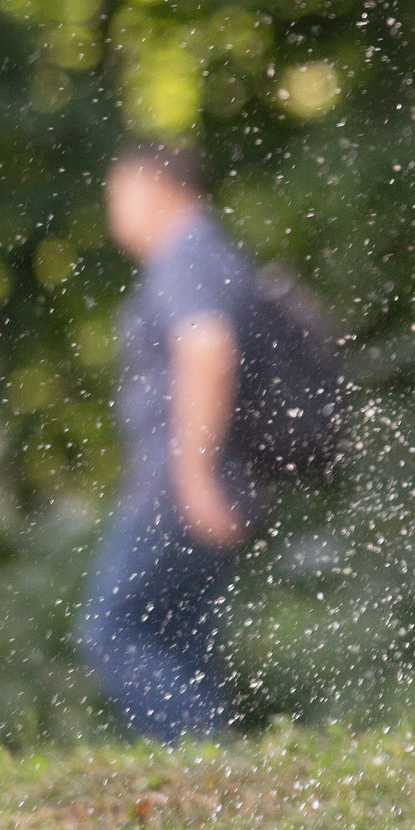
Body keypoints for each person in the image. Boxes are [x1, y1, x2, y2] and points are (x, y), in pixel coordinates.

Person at [77, 140, 260, 740]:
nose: (114, 213)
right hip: (205, 481)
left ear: (154, 185)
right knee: (181, 637)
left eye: (117, 194)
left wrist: (193, 475)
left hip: (178, 486)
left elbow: (207, 350)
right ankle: (218, 777)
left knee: (113, 629)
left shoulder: (187, 253)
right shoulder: (209, 253)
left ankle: (208, 761)